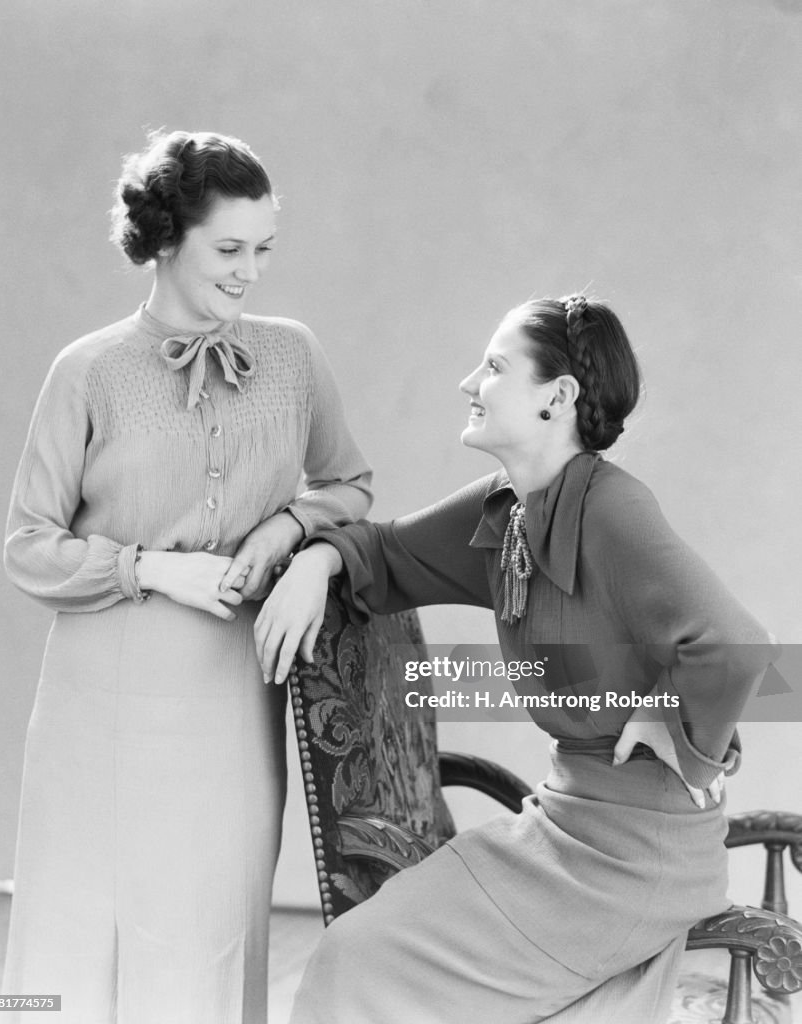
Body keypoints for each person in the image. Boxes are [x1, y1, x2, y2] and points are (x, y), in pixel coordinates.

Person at [253, 295, 774, 1024]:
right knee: (360, 952)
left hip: (633, 859)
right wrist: (314, 561)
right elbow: (387, 550)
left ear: (556, 399)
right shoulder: (505, 509)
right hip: (562, 828)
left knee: (364, 958)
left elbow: (734, 642)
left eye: (495, 367)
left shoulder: (611, 510)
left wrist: (671, 726)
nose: (470, 382)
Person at [1, 129, 372, 1024]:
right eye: (229, 249)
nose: (250, 272)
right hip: (101, 698)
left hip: (230, 694)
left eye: (264, 250)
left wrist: (291, 526)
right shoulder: (87, 370)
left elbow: (348, 486)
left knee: (211, 916)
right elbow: (27, 545)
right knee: (84, 923)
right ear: (167, 238)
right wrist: (150, 568)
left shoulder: (290, 355)